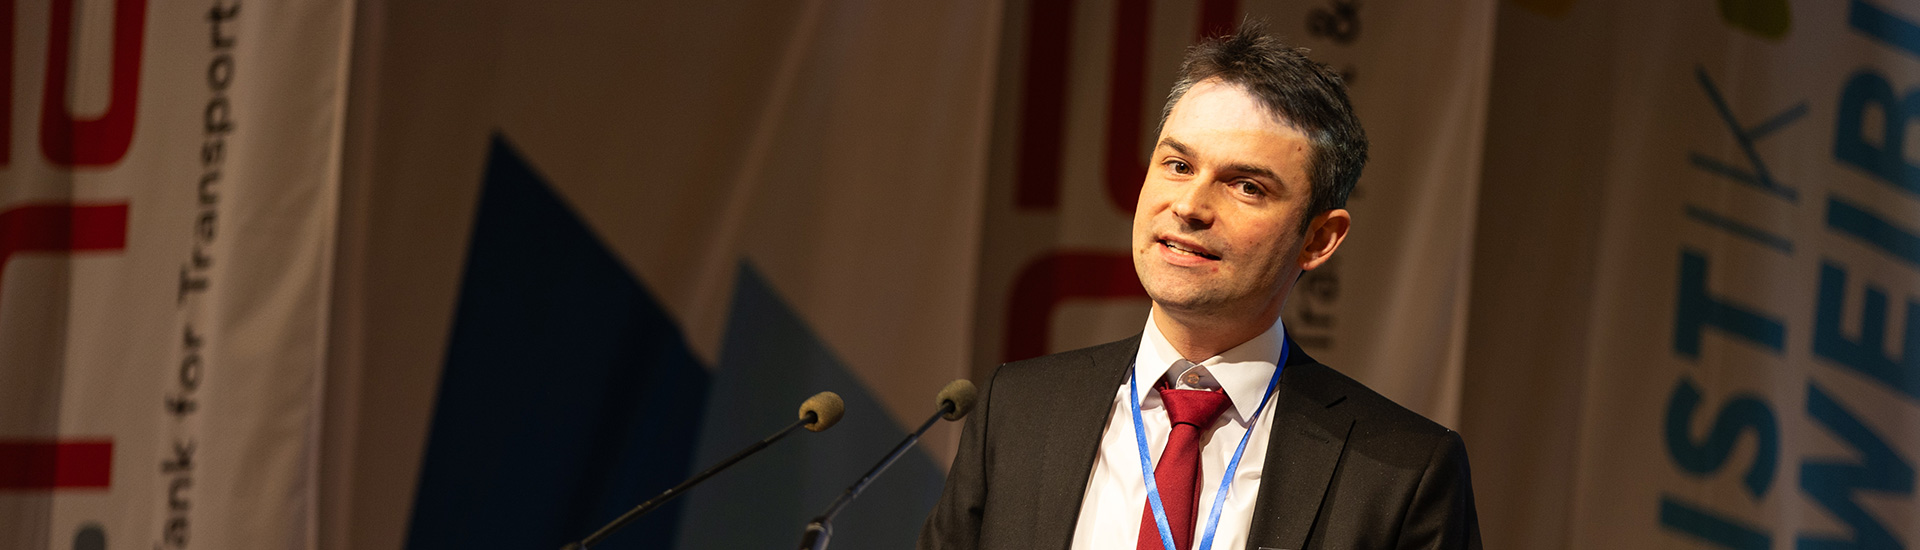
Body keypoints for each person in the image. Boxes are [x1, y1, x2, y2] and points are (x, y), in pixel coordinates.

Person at [919, 24, 1481, 550]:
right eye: (1178, 165)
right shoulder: (1017, 410)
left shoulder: (1404, 471)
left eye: (1246, 186)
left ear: (1318, 240)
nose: (1188, 207)